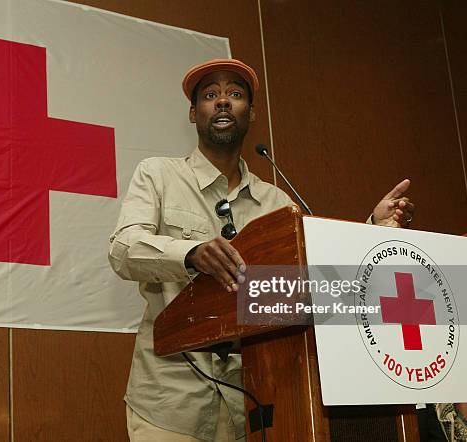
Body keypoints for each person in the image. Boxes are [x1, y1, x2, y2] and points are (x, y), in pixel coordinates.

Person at [108, 58, 415, 442]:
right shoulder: (158, 175)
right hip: (169, 402)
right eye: (210, 95)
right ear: (193, 113)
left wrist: (374, 227)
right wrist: (191, 252)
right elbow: (123, 249)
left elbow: (317, 277)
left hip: (251, 403)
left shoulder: (276, 202)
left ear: (250, 114)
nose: (222, 102)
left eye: (235, 95)